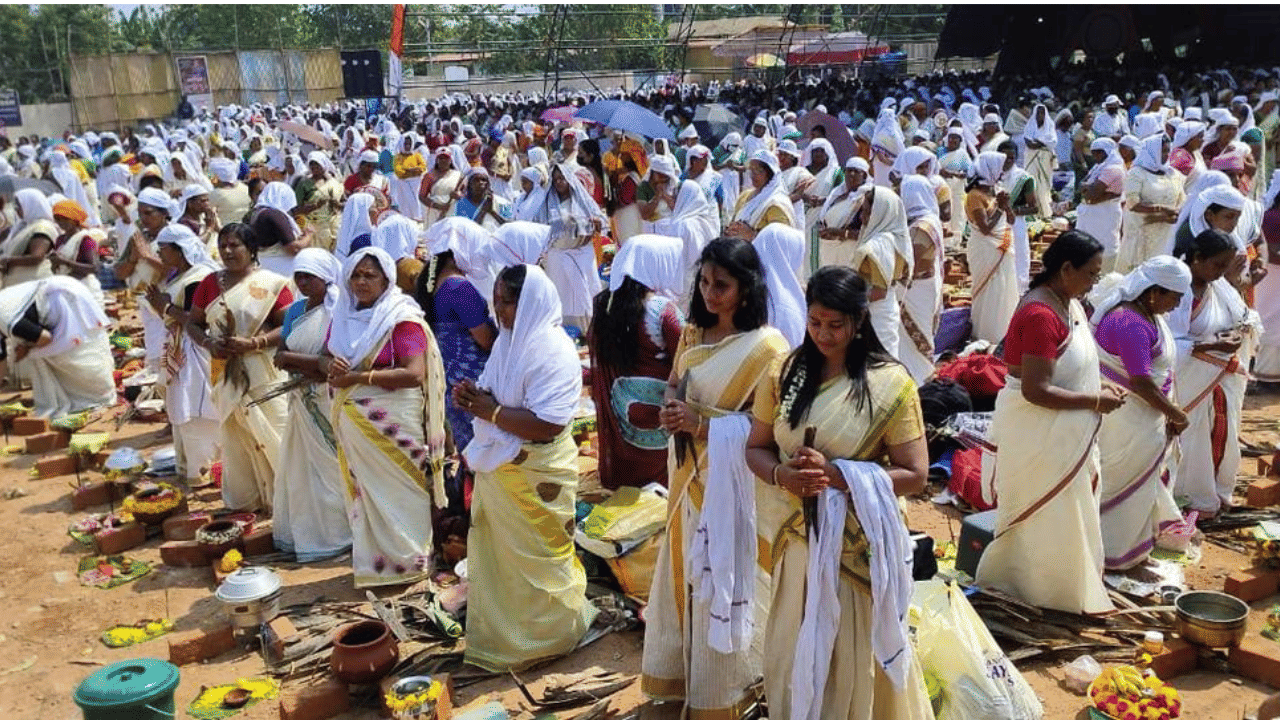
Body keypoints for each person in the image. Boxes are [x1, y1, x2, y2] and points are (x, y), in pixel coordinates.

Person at [745, 265, 934, 720]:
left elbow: (915, 474)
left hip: (856, 549)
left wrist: (837, 476)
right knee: (793, 646)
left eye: (835, 325)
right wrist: (781, 476)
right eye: (814, 322)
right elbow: (757, 448)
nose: (823, 335)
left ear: (859, 322)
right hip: (797, 542)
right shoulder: (784, 371)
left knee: (851, 655)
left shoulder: (891, 384)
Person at [642, 238, 789, 718]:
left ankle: (729, 688)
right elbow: (674, 384)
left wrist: (701, 424)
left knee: (725, 575)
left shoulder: (767, 347)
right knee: (687, 575)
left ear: (746, 290)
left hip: (731, 486)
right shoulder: (690, 334)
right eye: (703, 282)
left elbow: (772, 430)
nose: (709, 293)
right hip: (688, 476)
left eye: (721, 285)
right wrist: (671, 410)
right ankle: (686, 678)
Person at [454, 264, 597, 670]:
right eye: (496, 300)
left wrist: (493, 411)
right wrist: (474, 397)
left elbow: (549, 422)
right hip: (504, 466)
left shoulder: (552, 349)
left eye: (508, 301)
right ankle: (511, 635)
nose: (500, 310)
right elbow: (495, 390)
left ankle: (551, 634)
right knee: (505, 558)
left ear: (531, 300)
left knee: (544, 555)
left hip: (539, 469)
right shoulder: (508, 343)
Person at [975, 230, 1120, 615]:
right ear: (1066, 268)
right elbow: (1036, 391)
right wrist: (1095, 400)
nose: (1095, 282)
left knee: (1066, 515)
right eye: (1091, 273)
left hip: (1061, 430)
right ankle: (1030, 587)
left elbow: (1072, 368)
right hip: (1037, 431)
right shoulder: (1041, 314)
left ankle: (1061, 588)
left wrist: (1098, 387)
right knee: (1044, 512)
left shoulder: (1067, 304)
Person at [322, 246, 448, 586]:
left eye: (370, 275)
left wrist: (358, 378)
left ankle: (411, 563)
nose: (361, 281)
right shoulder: (343, 316)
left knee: (402, 490)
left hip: (393, 420)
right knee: (368, 493)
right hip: (353, 420)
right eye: (356, 275)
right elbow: (327, 358)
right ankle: (376, 568)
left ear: (386, 279)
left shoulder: (401, 318)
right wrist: (331, 367)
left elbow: (414, 373)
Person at [1091, 257, 1192, 572]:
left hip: (1139, 417)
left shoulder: (1145, 314)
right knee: (1120, 485)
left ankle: (1128, 549)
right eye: (1175, 297)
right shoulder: (1130, 324)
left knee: (1134, 486)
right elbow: (1142, 383)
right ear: (1154, 292)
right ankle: (1110, 554)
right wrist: (1177, 414)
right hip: (1127, 419)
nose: (1177, 305)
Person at [188, 223, 293, 513]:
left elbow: (289, 325)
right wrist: (209, 343)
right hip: (225, 370)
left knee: (276, 433)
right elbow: (193, 323)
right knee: (236, 436)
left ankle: (286, 500)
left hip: (264, 371)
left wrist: (255, 342)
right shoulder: (210, 283)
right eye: (223, 246)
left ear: (251, 249)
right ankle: (248, 501)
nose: (228, 251)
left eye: (235, 245)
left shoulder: (272, 283)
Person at [1168, 229, 1260, 518]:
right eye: (1218, 265)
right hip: (1191, 381)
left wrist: (1240, 332)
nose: (1222, 273)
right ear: (1197, 259)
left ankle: (1218, 492)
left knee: (1224, 434)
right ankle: (1190, 497)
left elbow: (1244, 316)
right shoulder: (1178, 290)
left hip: (1221, 379)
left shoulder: (1218, 287)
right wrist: (1212, 344)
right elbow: (1168, 342)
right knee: (1191, 441)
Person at [589, 234, 685, 490]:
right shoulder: (664, 312)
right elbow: (689, 364)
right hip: (658, 427)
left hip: (620, 429)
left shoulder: (603, 305)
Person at [146, 225, 220, 483]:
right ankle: (193, 465)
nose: (160, 254)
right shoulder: (181, 276)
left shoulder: (198, 278)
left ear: (180, 250)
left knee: (197, 405)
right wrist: (163, 307)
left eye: (163, 249)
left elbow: (195, 319)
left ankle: (207, 466)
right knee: (183, 405)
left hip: (196, 348)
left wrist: (164, 306)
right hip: (179, 345)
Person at [418, 227, 497, 453]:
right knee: (487, 446)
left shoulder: (435, 285)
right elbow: (484, 339)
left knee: (471, 448)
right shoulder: (458, 287)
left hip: (450, 375)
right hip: (471, 377)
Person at [0, 275, 116, 419]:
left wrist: (27, 348)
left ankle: (99, 400)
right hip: (59, 295)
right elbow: (1, 360)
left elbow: (45, 338)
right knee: (55, 356)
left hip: (67, 301)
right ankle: (85, 397)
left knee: (77, 358)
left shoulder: (5, 319)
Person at [532, 164, 607, 330]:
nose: (559, 182)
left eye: (562, 179)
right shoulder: (547, 205)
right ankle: (566, 330)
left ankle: (589, 330)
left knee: (585, 294)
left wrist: (595, 223)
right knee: (562, 295)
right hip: (557, 256)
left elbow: (601, 223)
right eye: (556, 179)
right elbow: (540, 228)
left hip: (582, 254)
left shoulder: (582, 200)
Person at [849, 185, 912, 359]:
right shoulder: (894, 239)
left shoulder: (878, 246)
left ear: (881, 212)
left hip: (875, 311)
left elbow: (878, 292)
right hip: (885, 307)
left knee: (876, 359)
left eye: (868, 212)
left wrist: (846, 300)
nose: (862, 217)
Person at [965, 151, 1019, 343]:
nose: (1004, 170)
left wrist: (1006, 206)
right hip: (986, 249)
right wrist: (1000, 206)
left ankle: (1004, 333)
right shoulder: (974, 196)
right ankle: (987, 335)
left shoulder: (996, 190)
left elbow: (1010, 219)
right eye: (1000, 166)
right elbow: (986, 229)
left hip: (1003, 249)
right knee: (989, 292)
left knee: (1004, 291)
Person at [900, 175, 945, 384]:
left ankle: (917, 378)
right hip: (924, 285)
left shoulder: (921, 226)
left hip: (917, 288)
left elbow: (914, 264)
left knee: (914, 338)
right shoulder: (928, 219)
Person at [1116, 135, 1184, 274]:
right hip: (1142, 232)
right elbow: (1133, 204)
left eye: (1168, 151)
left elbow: (1181, 200)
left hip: (1164, 233)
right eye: (1163, 151)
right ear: (1152, 152)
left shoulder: (1173, 174)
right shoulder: (1136, 174)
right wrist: (1162, 210)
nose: (1166, 155)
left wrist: (1175, 214)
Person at [1077, 138, 1127, 272]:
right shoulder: (1099, 167)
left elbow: (1092, 194)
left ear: (1107, 152)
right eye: (1093, 153)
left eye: (1098, 153)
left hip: (1104, 215)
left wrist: (1090, 190)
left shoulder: (1113, 169)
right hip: (1093, 214)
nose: (1095, 156)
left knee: (1103, 248)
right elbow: (1081, 186)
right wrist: (1089, 189)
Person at [727, 150, 797, 241]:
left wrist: (752, 235)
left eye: (758, 171)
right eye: (751, 170)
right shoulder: (745, 196)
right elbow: (734, 221)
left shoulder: (776, 203)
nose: (753, 175)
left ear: (770, 173)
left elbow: (781, 240)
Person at [816, 157, 872, 268]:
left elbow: (867, 231)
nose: (851, 174)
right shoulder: (836, 194)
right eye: (849, 170)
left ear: (864, 176)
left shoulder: (867, 197)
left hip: (851, 252)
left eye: (856, 171)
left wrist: (840, 233)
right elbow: (823, 217)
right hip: (829, 249)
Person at [249, 181, 310, 278]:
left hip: (267, 266)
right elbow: (293, 248)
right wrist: (308, 235)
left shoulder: (258, 213)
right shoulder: (274, 215)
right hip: (281, 270)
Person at [50, 199, 105, 305]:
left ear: (74, 219)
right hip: (65, 288)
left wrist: (63, 261)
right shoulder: (60, 240)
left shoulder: (85, 240)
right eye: (58, 219)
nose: (61, 223)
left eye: (65, 219)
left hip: (84, 289)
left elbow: (93, 268)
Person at [1, 188, 57, 286]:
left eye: (19, 206)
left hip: (32, 283)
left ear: (31, 205)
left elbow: (37, 257)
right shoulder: (25, 226)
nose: (16, 210)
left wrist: (8, 261)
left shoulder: (42, 227)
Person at [418, 147, 463, 227]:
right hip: (434, 212)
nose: (443, 161)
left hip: (453, 210)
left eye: (446, 158)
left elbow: (465, 192)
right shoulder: (429, 176)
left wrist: (459, 195)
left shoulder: (458, 176)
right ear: (436, 160)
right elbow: (422, 196)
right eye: (440, 158)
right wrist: (438, 206)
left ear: (451, 160)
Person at [390, 133, 426, 221]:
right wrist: (412, 171)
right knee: (406, 203)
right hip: (404, 184)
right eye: (405, 144)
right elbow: (399, 172)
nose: (408, 146)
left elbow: (423, 167)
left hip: (416, 184)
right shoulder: (398, 157)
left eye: (410, 144)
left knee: (417, 201)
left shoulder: (417, 155)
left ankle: (417, 217)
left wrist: (408, 170)